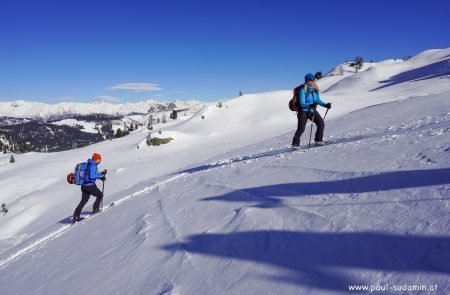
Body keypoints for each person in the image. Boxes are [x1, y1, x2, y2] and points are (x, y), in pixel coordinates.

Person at [292, 73, 332, 148]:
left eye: (313, 80)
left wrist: (325, 105)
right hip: (303, 111)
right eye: (311, 80)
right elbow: (302, 103)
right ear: (307, 81)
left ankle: (318, 140)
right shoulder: (303, 90)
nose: (312, 81)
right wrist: (310, 105)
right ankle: (295, 144)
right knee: (301, 128)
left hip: (312, 110)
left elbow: (317, 100)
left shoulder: (315, 89)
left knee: (321, 123)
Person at [72, 153, 106, 222]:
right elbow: (92, 176)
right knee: (100, 195)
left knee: (83, 201)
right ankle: (95, 209)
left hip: (84, 186)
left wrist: (100, 177)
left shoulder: (89, 164)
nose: (100, 160)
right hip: (90, 186)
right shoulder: (93, 166)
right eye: (99, 159)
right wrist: (101, 174)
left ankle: (76, 216)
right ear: (96, 159)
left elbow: (88, 175)